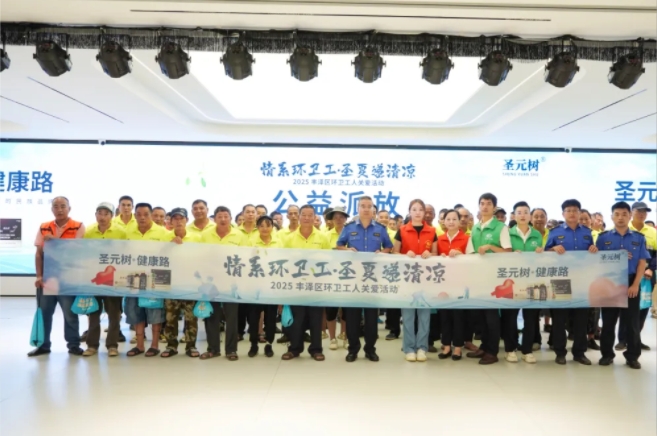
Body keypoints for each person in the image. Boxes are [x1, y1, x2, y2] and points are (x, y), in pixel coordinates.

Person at [337, 197, 393, 362]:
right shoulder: (349, 228)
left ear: (373, 210)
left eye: (369, 206)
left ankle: (370, 349)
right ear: (358, 208)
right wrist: (347, 250)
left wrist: (383, 253)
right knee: (352, 317)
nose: (366, 209)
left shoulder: (380, 229)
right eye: (363, 206)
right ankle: (353, 349)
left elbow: (388, 246)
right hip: (354, 278)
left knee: (371, 317)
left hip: (372, 278)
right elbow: (339, 245)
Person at [28, 196, 85, 357]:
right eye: (56, 206)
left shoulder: (78, 226)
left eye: (63, 206)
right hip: (48, 278)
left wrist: (56, 240)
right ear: (51, 209)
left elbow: (77, 250)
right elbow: (39, 254)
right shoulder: (44, 227)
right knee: (44, 313)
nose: (59, 209)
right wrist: (39, 276)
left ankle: (73, 345)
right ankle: (43, 345)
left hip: (68, 278)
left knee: (70, 314)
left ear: (69, 208)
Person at [545, 199, 598, 366]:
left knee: (581, 318)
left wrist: (593, 249)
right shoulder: (555, 232)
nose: (572, 213)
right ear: (563, 214)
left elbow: (592, 255)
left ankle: (579, 353)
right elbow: (545, 254)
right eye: (568, 210)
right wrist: (552, 249)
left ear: (579, 213)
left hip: (582, 280)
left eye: (575, 210)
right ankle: (560, 352)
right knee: (559, 319)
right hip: (561, 280)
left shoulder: (587, 232)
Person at [597, 201, 650, 370]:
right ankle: (607, 355)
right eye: (617, 214)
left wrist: (635, 285)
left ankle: (632, 357)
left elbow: (642, 263)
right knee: (608, 322)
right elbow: (596, 261)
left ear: (630, 216)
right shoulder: (603, 238)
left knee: (632, 323)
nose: (620, 217)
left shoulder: (638, 238)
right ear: (612, 217)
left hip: (631, 282)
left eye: (624, 214)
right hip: (610, 283)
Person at [465, 193, 512, 365]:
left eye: (488, 204)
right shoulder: (475, 228)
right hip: (479, 277)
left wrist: (491, 247)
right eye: (482, 203)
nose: (485, 206)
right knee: (481, 316)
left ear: (494, 207)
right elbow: (470, 252)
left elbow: (508, 252)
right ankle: (484, 347)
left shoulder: (501, 227)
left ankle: (492, 351)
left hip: (495, 279)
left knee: (492, 316)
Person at [281, 205, 331, 361]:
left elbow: (329, 260)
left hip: (316, 284)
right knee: (297, 319)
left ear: (315, 217)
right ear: (299, 217)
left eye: (310, 215)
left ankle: (316, 349)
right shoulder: (290, 238)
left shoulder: (322, 237)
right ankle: (294, 348)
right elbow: (285, 261)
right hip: (297, 284)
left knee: (316, 318)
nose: (307, 218)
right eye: (304, 215)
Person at [200, 206, 248, 361]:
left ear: (230, 218)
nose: (223, 219)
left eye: (226, 216)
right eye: (219, 216)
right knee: (211, 316)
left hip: (231, 283)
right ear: (214, 219)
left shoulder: (239, 235)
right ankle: (213, 349)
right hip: (211, 282)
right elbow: (200, 256)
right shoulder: (206, 234)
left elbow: (245, 257)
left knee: (231, 317)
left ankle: (231, 350)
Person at [124, 203, 170, 357]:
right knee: (135, 310)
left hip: (156, 276)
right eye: (139, 214)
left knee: (155, 310)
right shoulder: (128, 232)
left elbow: (171, 253)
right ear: (135, 215)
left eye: (146, 214)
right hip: (133, 276)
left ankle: (155, 345)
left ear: (151, 215)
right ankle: (139, 345)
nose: (142, 217)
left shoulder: (163, 232)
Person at [393, 199, 437, 362]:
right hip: (407, 278)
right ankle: (409, 348)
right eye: (414, 209)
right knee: (408, 315)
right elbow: (394, 252)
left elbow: (436, 253)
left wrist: (430, 254)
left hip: (426, 278)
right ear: (409, 212)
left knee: (425, 315)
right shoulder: (402, 230)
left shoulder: (432, 231)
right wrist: (405, 255)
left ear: (424, 212)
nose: (417, 212)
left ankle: (422, 348)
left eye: (420, 209)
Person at [82, 202, 126, 357]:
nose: (102, 217)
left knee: (114, 314)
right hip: (94, 278)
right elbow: (83, 253)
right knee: (93, 313)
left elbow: (126, 254)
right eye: (99, 213)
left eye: (106, 214)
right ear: (95, 215)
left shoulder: (120, 232)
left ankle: (112, 345)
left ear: (112, 216)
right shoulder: (88, 231)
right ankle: (92, 345)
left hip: (113, 280)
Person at [161, 208, 201, 358]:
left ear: (187, 220)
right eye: (175, 219)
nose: (178, 221)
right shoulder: (164, 237)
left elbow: (202, 257)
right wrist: (169, 246)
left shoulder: (197, 237)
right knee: (171, 317)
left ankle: (191, 346)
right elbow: (158, 257)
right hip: (171, 284)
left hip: (190, 283)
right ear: (171, 221)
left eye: (181, 218)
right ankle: (171, 346)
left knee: (191, 317)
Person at [617, 201, 657, 351]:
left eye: (644, 211)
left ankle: (635, 339)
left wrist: (651, 269)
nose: (642, 214)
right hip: (627, 275)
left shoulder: (652, 232)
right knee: (625, 308)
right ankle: (622, 340)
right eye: (638, 211)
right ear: (631, 213)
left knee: (643, 308)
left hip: (647, 276)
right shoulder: (625, 229)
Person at [508, 201, 544, 364]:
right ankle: (510, 349)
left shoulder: (537, 235)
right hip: (512, 282)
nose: (522, 215)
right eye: (519, 212)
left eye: (525, 212)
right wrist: (511, 254)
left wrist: (541, 253)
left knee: (530, 318)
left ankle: (527, 350)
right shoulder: (508, 233)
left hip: (532, 281)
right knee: (511, 317)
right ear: (514, 216)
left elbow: (541, 260)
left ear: (530, 216)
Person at [436, 209, 469, 361]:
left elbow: (472, 259)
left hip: (460, 283)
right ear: (443, 221)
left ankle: (457, 347)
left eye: (454, 219)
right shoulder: (439, 239)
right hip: (443, 282)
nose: (451, 222)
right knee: (444, 315)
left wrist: (461, 256)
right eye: (448, 219)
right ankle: (446, 345)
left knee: (458, 316)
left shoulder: (466, 239)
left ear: (459, 221)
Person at [247, 215, 281, 358]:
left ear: (272, 227)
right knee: (253, 318)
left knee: (270, 318)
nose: (265, 228)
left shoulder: (279, 243)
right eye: (262, 226)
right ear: (257, 227)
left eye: (268, 225)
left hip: (271, 286)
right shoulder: (251, 242)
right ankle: (253, 344)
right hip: (255, 286)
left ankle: (269, 344)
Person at [326, 206, 349, 350]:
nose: (338, 219)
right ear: (331, 220)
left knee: (347, 310)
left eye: (341, 217)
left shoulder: (351, 233)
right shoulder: (326, 236)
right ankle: (332, 338)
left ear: (345, 219)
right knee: (331, 310)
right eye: (336, 217)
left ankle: (345, 336)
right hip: (331, 276)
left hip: (348, 276)